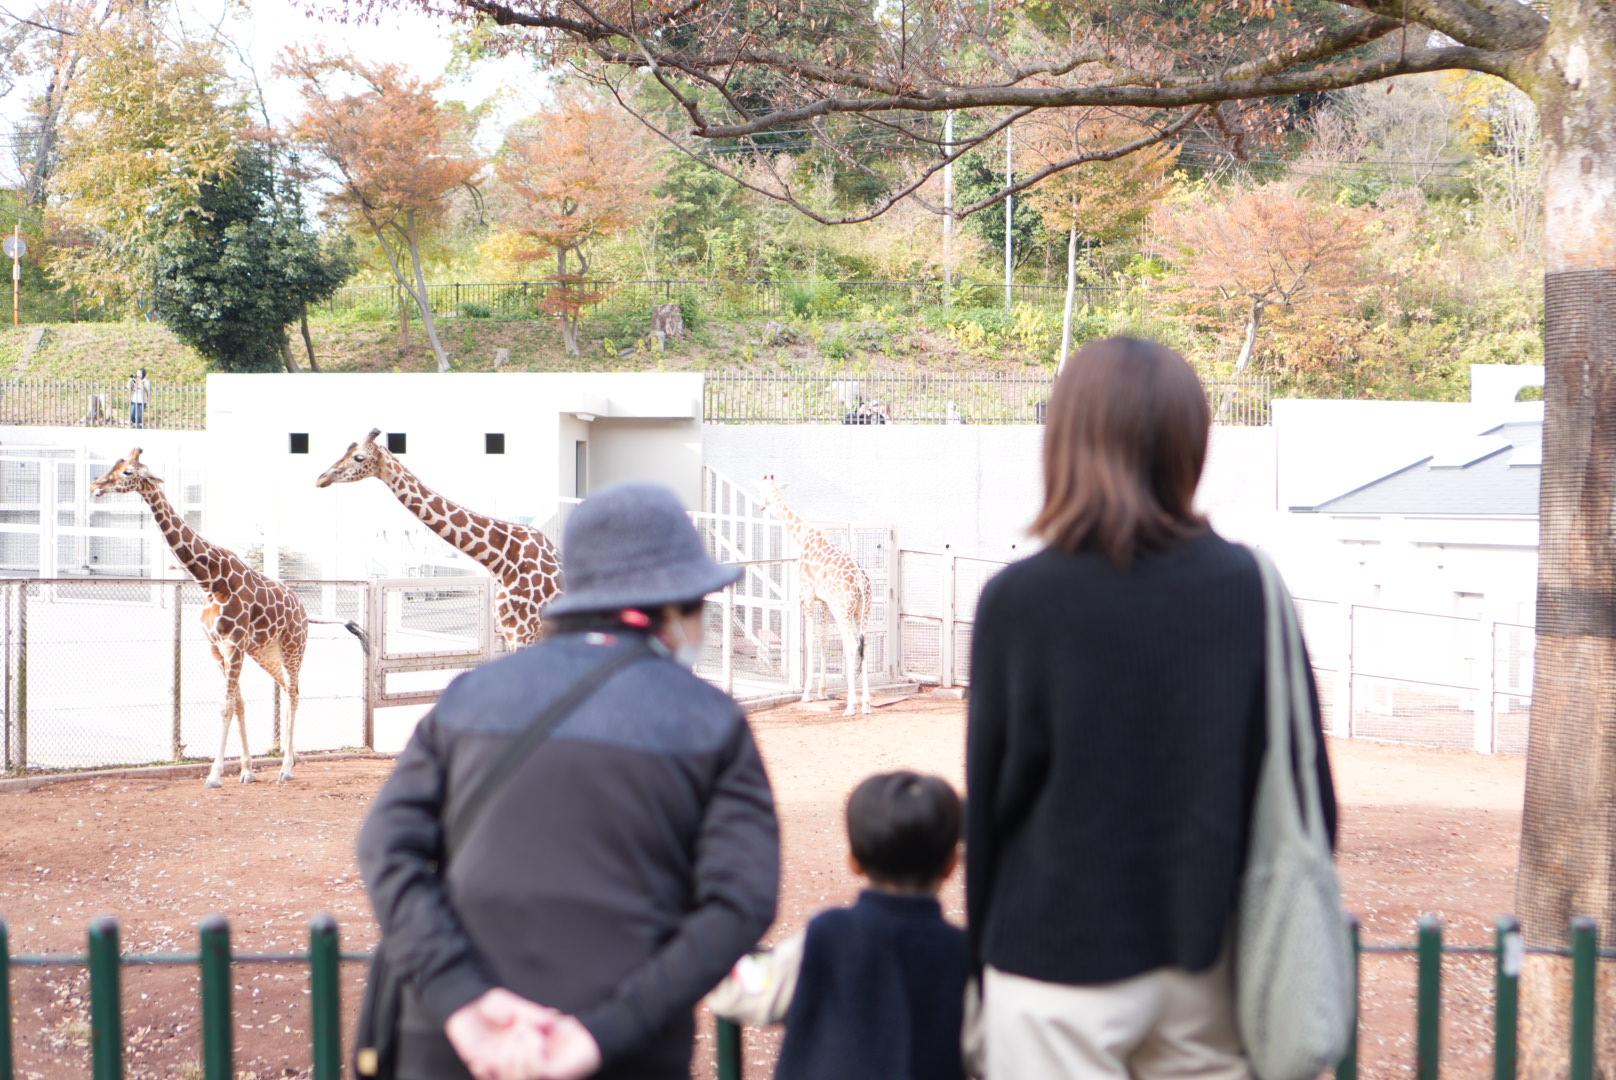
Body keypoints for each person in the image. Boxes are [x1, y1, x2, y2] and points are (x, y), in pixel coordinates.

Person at [966, 336, 1337, 1080]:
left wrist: (982, 966)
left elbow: (993, 809)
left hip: (1048, 963)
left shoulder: (1018, 601)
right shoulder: (1251, 590)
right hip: (1204, 963)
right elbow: (1310, 794)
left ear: (1063, 440)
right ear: (1188, 443)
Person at [358, 482, 780, 1080]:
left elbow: (384, 845)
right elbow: (742, 901)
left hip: (454, 1048)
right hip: (624, 1054)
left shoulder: (470, 697)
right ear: (674, 607)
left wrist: (461, 998)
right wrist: (601, 1032)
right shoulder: (709, 721)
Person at [708, 771, 973, 1080]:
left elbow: (737, 991)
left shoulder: (826, 936)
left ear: (853, 861)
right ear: (951, 863)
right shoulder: (963, 954)